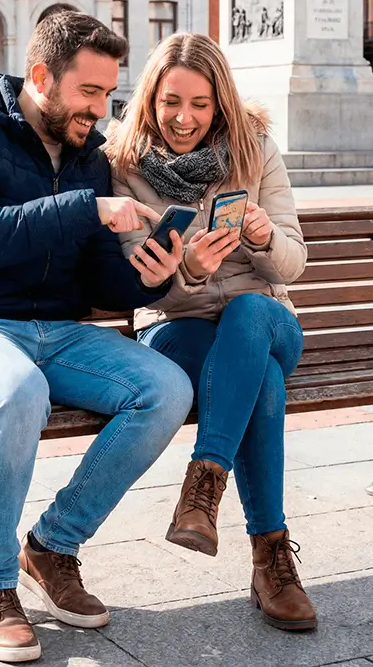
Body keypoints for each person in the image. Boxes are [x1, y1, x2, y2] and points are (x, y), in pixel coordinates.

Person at [0, 9, 194, 663]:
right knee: (17, 391)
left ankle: (53, 546)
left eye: (108, 92)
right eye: (89, 92)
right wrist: (86, 208)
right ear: (41, 76)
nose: (101, 108)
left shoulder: (88, 156)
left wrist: (151, 276)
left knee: (165, 388)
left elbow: (97, 282)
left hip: (53, 330)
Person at [107, 32, 317, 633]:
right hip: (178, 326)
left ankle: (205, 484)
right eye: (172, 102)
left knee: (250, 319)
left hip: (267, 318)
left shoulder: (256, 151)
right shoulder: (126, 167)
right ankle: (271, 558)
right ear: (151, 99)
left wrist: (263, 238)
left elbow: (294, 261)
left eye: (200, 104)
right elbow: (135, 282)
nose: (184, 118)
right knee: (263, 383)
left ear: (220, 103)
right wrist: (190, 274)